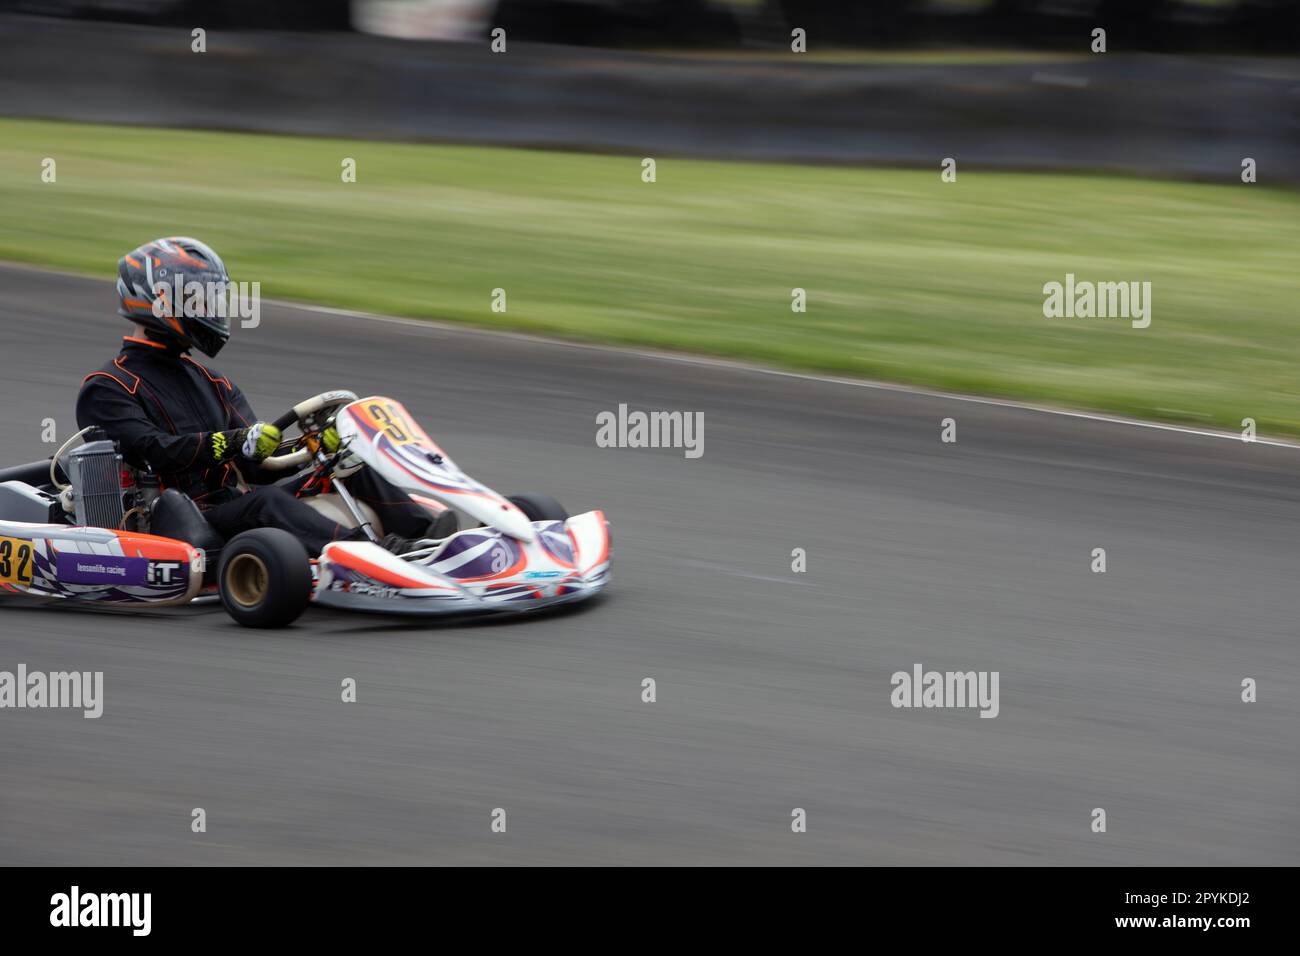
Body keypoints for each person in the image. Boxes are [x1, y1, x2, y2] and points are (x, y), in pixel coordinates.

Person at [75, 237, 452, 555]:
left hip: (233, 503)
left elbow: (258, 465)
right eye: (198, 300)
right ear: (158, 299)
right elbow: (153, 450)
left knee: (350, 463)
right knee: (265, 502)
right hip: (177, 518)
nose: (209, 309)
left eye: (211, 299)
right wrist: (233, 441)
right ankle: (368, 554)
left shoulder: (212, 381)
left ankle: (434, 541)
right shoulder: (109, 385)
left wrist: (313, 447)